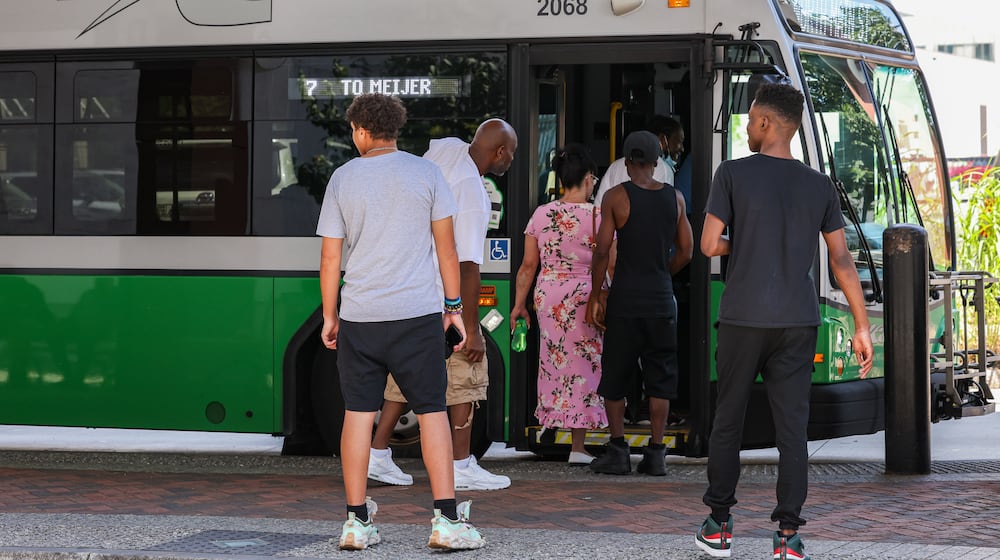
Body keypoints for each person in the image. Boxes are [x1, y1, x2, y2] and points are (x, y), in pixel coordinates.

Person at [695, 83, 874, 560]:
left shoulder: (731, 173)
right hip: (799, 320)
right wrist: (861, 325)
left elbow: (709, 244)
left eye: (751, 119)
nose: (749, 127)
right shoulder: (819, 185)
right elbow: (841, 259)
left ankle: (719, 524)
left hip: (743, 319)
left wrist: (745, 242)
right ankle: (788, 537)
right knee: (792, 430)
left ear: (767, 123)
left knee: (728, 420)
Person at [316, 93, 485, 551]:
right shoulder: (426, 173)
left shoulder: (343, 178)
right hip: (416, 314)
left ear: (363, 132)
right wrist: (453, 309)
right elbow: (447, 250)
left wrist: (331, 315)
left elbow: (331, 256)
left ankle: (355, 521)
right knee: (431, 411)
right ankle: (446, 520)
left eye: (353, 131)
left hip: (360, 316)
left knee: (358, 413)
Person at [369, 118, 518, 491]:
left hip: (413, 288)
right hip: (441, 296)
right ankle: (461, 465)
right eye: (511, 154)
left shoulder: (450, 150)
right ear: (499, 153)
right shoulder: (471, 190)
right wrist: (471, 329)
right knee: (468, 373)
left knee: (407, 375)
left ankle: (377, 454)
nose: (511, 161)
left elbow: (433, 147)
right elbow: (468, 266)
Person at [586, 130, 693, 476]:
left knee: (616, 373)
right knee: (661, 376)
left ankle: (618, 451)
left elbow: (602, 250)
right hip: (661, 301)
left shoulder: (616, 197)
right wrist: (664, 272)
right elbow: (687, 250)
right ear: (657, 162)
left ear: (628, 162)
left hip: (625, 300)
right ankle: (657, 452)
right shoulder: (675, 198)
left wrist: (596, 293)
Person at [510, 144, 609, 466]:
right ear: (588, 179)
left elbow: (527, 266)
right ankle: (578, 446)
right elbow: (610, 263)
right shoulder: (597, 216)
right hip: (585, 295)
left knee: (554, 361)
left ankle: (555, 425)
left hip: (549, 296)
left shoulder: (542, 214)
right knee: (586, 364)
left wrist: (518, 305)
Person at [593, 115, 684, 206]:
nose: (682, 148)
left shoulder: (615, 166)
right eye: (679, 141)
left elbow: (599, 208)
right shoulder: (664, 169)